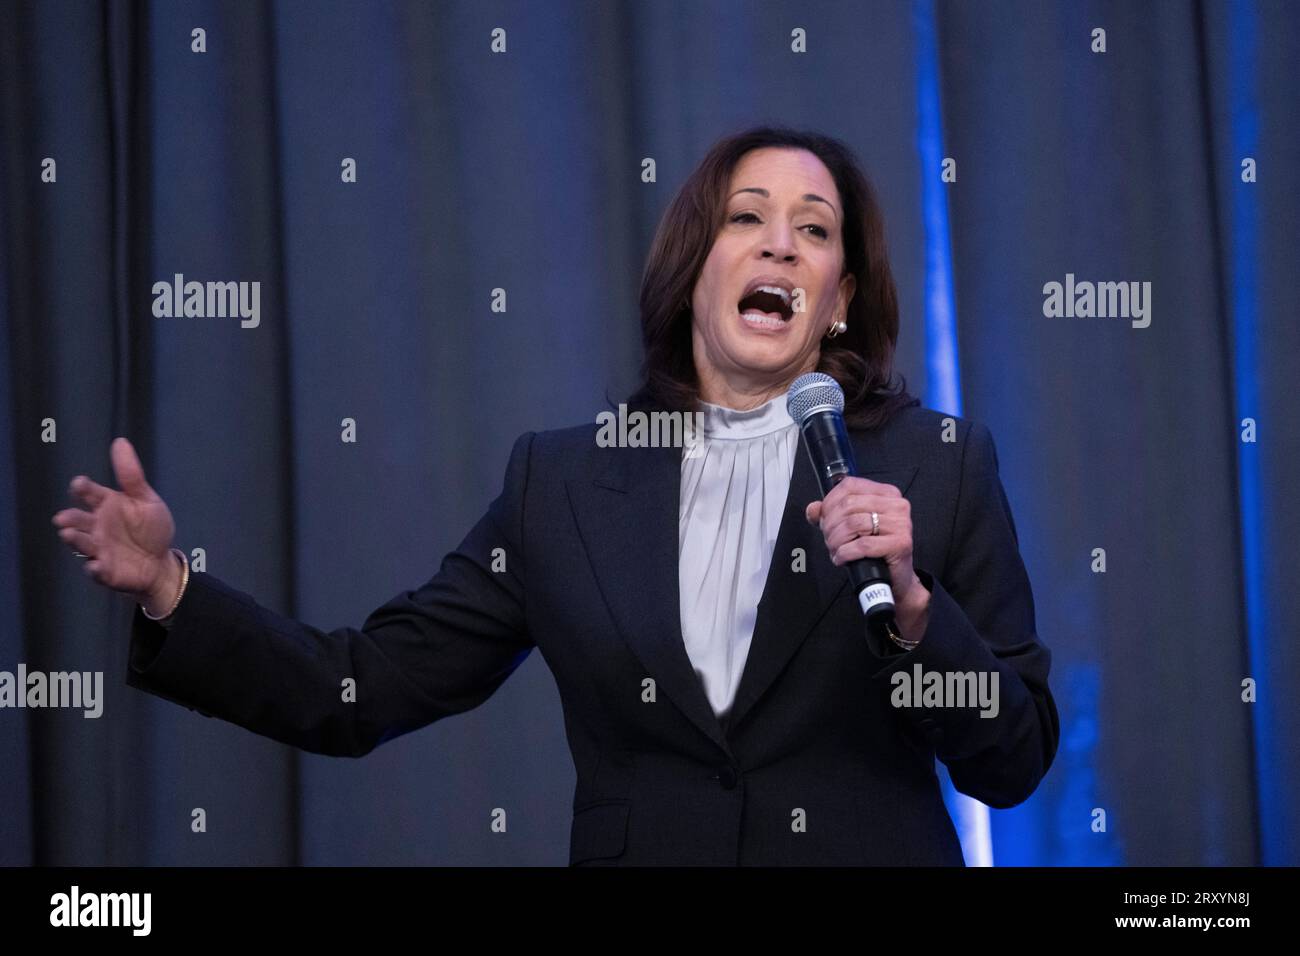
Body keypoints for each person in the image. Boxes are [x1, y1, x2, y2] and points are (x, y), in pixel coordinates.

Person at [52, 126, 1058, 866]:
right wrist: (171, 586)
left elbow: (1011, 759)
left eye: (815, 229)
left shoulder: (938, 463)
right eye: (745, 218)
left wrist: (920, 616)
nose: (779, 245)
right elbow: (359, 686)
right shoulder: (565, 482)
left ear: (838, 295)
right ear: (692, 269)